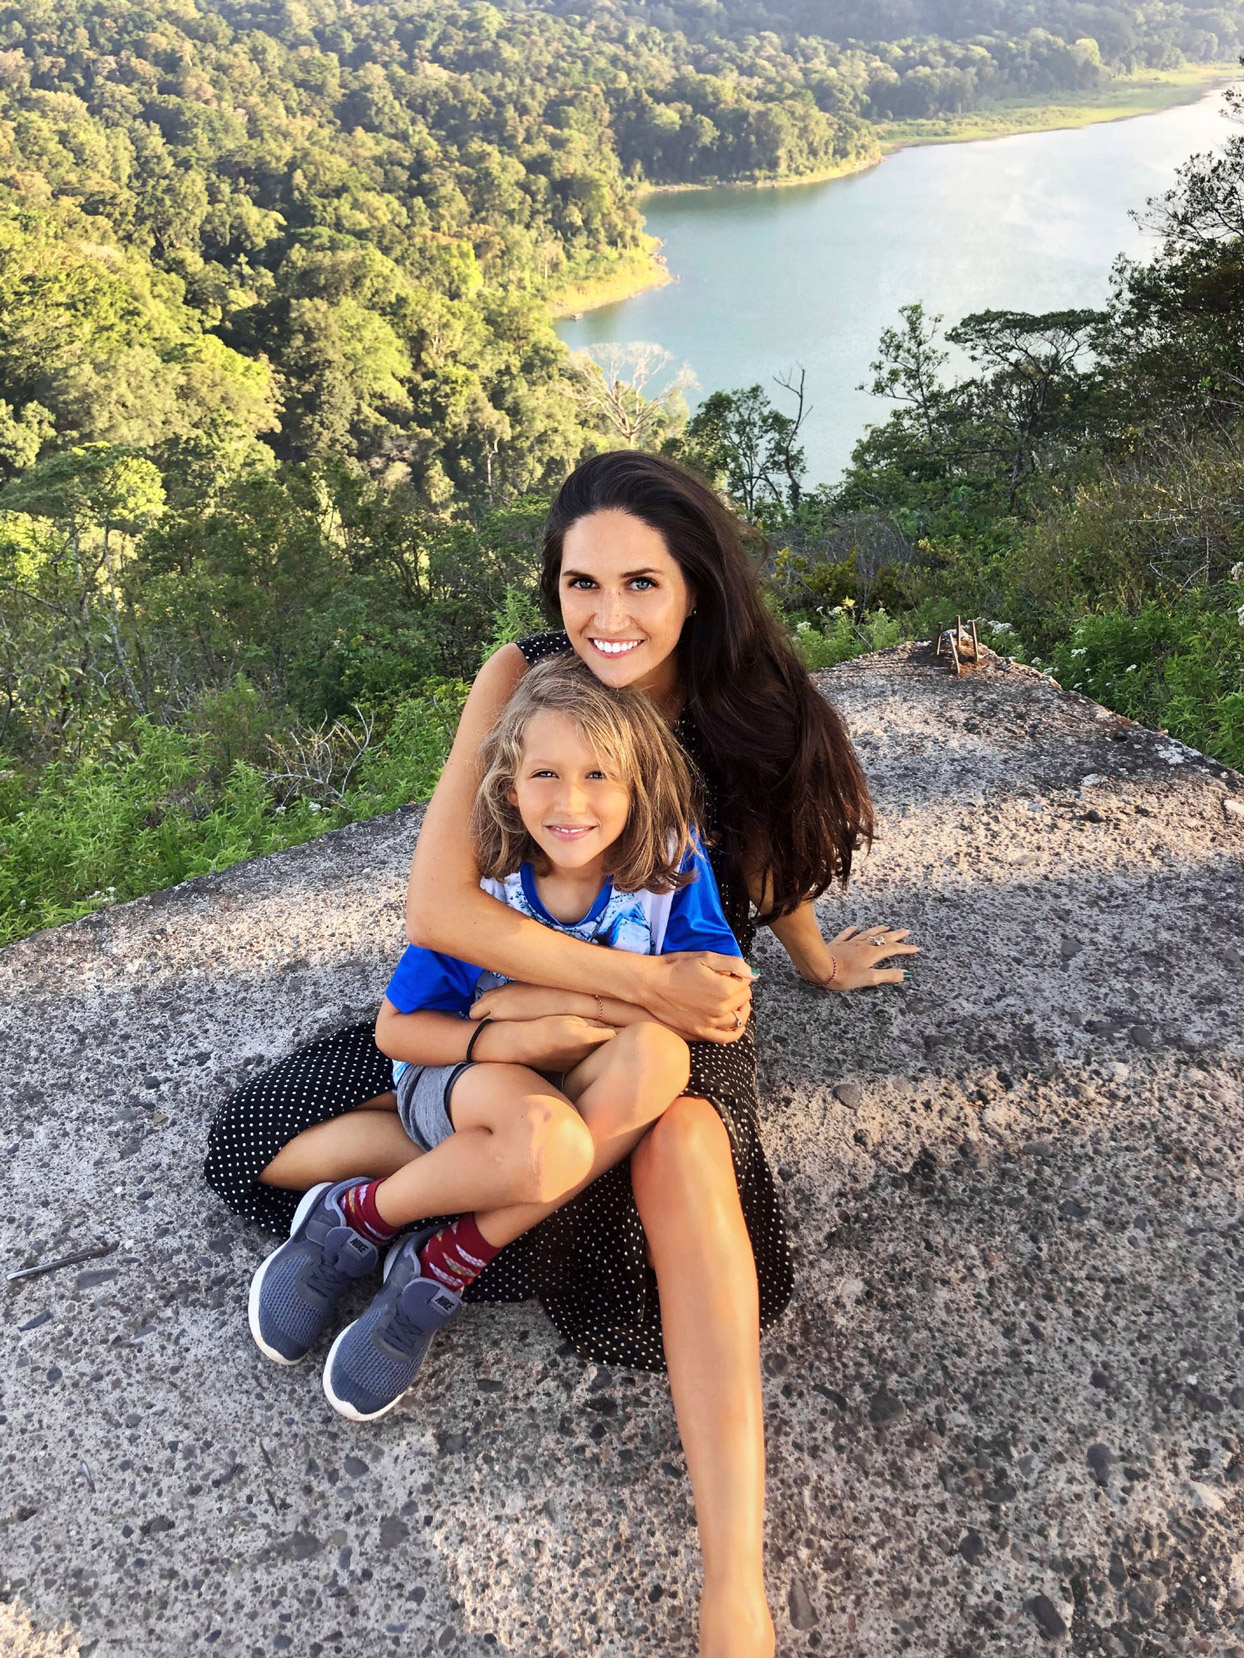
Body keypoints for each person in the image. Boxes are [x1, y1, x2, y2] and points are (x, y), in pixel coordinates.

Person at [205, 450, 915, 1658]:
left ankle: (732, 1593)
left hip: (674, 1012)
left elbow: (766, 858)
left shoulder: (752, 708)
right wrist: (560, 1008)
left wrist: (808, 959)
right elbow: (442, 908)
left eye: (639, 581)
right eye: (580, 583)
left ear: (694, 582)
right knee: (257, 1152)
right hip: (514, 999)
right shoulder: (523, 680)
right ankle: (462, 1201)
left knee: (682, 1133)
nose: (606, 616)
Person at [246, 656, 744, 1424]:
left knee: (663, 1058)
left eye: (599, 776)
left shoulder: (670, 870)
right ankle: (358, 1218)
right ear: (510, 788)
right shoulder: (493, 888)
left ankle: (440, 1257)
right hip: (465, 1078)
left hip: (573, 1081)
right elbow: (396, 1029)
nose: (570, 802)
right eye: (545, 774)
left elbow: (717, 1007)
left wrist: (537, 999)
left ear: (640, 783)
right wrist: (506, 1038)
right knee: (549, 1144)